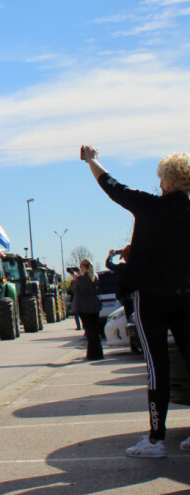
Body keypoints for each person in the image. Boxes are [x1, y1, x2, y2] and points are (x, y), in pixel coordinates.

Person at [81, 145, 190, 458]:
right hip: (186, 298)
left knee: (157, 368)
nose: (158, 184)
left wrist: (92, 160)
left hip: (151, 300)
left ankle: (156, 440)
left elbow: (112, 186)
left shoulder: (150, 206)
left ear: (166, 182)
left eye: (161, 179)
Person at [70, 258, 103, 360]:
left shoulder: (80, 279)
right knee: (95, 330)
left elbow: (72, 289)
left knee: (89, 331)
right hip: (94, 306)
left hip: (84, 308)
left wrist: (75, 277)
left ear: (83, 267)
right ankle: (99, 353)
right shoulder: (95, 277)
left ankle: (92, 354)